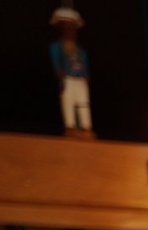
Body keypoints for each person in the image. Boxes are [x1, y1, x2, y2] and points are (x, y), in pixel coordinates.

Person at [49, 6, 93, 136]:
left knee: (83, 103)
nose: (69, 30)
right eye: (66, 26)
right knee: (68, 102)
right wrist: (60, 76)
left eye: (72, 27)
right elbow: (56, 61)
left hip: (80, 79)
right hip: (67, 78)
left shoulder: (81, 50)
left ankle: (86, 127)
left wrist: (86, 77)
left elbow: (85, 64)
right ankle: (70, 127)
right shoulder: (57, 47)